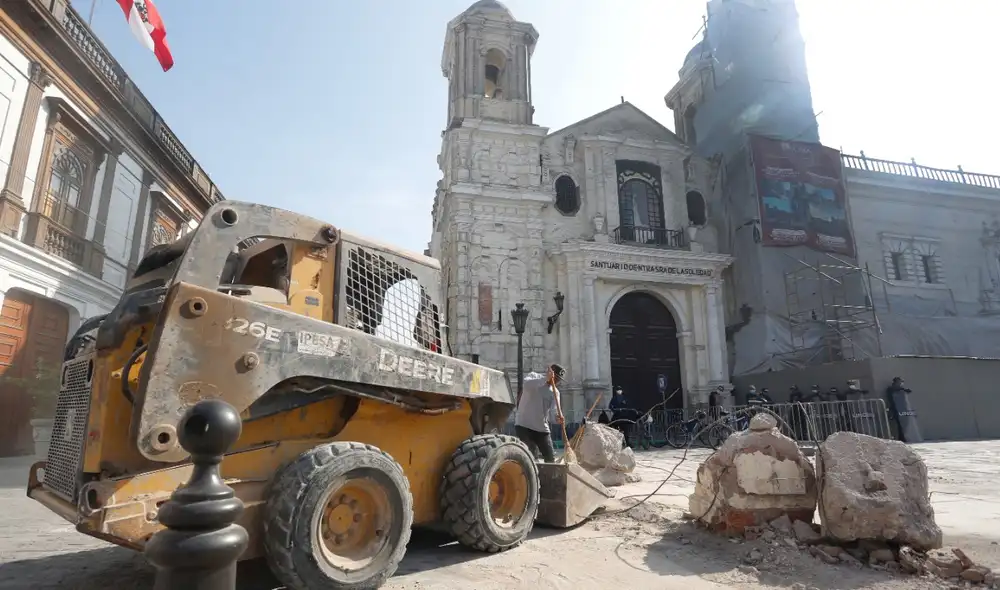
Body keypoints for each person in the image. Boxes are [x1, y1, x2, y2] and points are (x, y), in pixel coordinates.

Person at [514, 363, 566, 463]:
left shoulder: (555, 392)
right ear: (550, 372)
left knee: (550, 458)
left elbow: (554, 410)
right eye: (556, 378)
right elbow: (527, 386)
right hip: (524, 425)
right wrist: (545, 379)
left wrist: (557, 417)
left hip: (541, 429)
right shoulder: (533, 376)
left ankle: (549, 478)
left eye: (559, 380)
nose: (557, 382)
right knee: (530, 457)